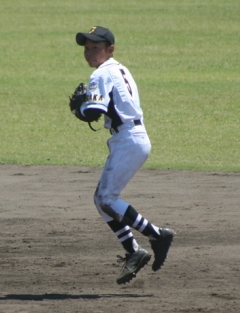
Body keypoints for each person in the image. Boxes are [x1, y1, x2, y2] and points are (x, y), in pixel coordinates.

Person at [73, 26, 175, 284]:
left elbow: (94, 111)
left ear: (110, 49)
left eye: (95, 48)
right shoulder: (120, 69)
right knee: (101, 199)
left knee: (106, 198)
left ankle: (156, 235)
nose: (89, 53)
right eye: (87, 48)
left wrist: (78, 110)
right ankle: (133, 250)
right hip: (130, 137)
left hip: (128, 140)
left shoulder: (101, 74)